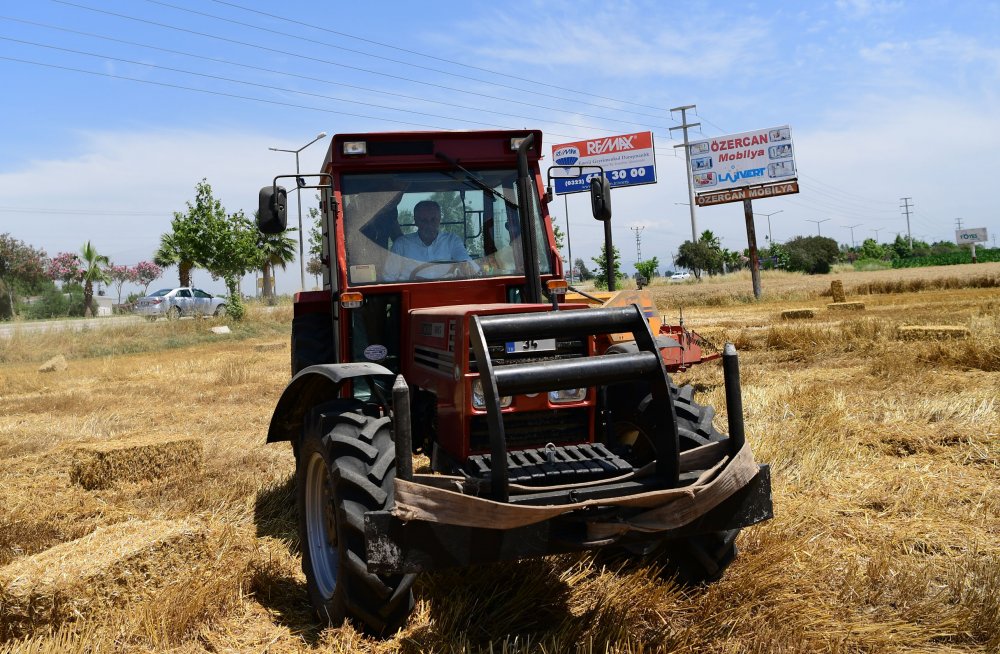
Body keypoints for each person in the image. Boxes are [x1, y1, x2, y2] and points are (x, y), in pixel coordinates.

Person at [383, 200, 474, 280]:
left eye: (433, 220)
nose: (429, 225)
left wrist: (465, 270)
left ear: (439, 220)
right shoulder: (401, 245)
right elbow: (388, 278)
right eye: (424, 220)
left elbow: (467, 264)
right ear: (415, 221)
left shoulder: (452, 241)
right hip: (413, 296)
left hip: (446, 294)